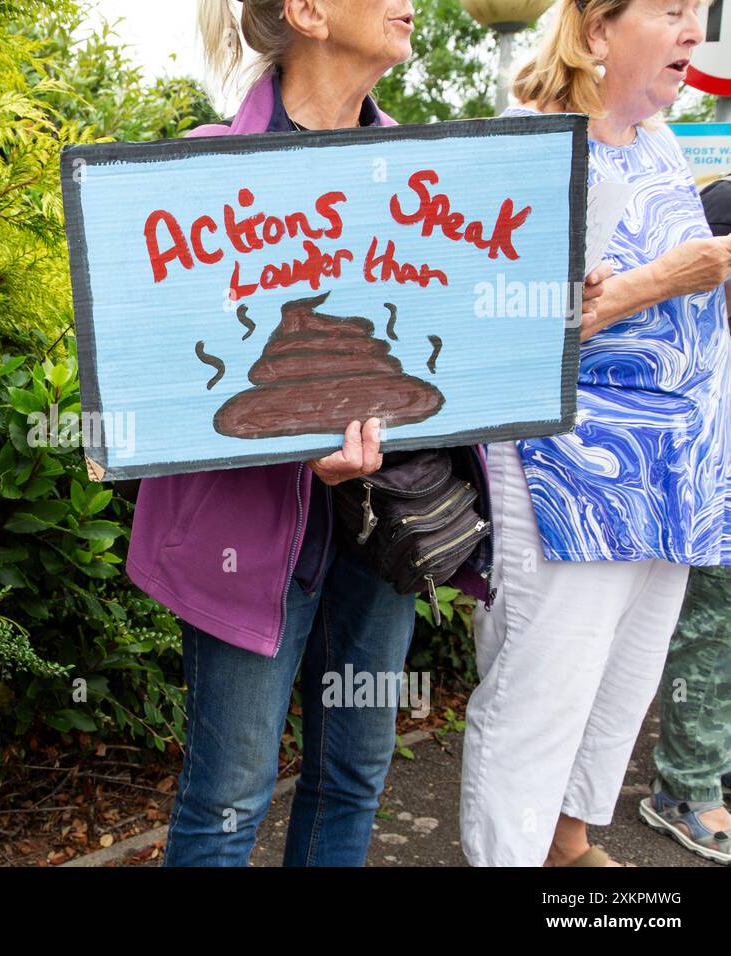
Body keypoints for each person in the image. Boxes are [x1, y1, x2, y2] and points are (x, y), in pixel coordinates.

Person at [130, 0, 607, 868]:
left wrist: (557, 310)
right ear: (308, 11)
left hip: (391, 524)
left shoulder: (434, 177)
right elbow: (159, 374)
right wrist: (286, 443)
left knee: (355, 773)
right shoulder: (200, 171)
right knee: (229, 796)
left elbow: (467, 342)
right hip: (250, 540)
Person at [461, 0, 731, 867]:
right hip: (571, 470)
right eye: (673, 10)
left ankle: (568, 846)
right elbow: (500, 321)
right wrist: (676, 274)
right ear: (599, 30)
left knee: (620, 681)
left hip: (669, 471)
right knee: (542, 687)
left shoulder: (654, 139)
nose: (696, 31)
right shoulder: (530, 143)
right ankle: (509, 855)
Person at [637, 175, 731, 865]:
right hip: (708, 462)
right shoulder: (719, 200)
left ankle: (712, 771)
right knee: (710, 630)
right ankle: (684, 787)